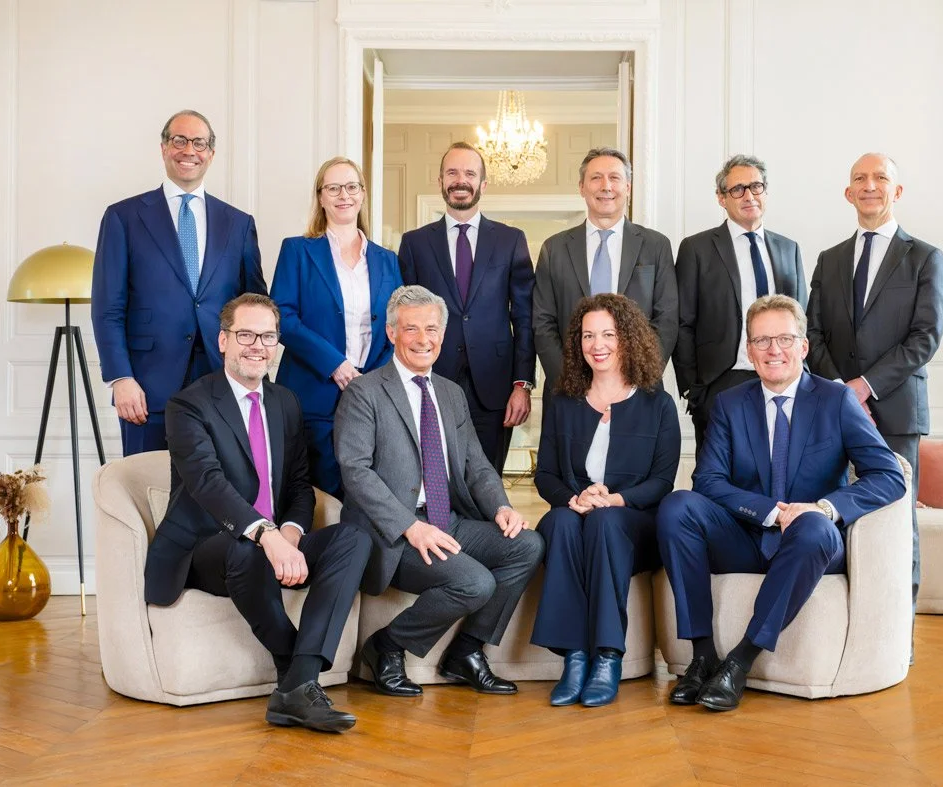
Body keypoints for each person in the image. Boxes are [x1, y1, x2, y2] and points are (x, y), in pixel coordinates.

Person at [656, 294, 905, 712]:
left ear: (803, 347)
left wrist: (823, 508)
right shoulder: (730, 404)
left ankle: (740, 660)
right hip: (746, 536)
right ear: (749, 351)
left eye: (785, 339)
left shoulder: (836, 400)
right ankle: (701, 657)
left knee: (811, 527)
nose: (774, 350)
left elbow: (889, 475)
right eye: (762, 341)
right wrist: (772, 511)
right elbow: (708, 480)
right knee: (677, 506)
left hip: (808, 544)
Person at [144, 294, 371, 733]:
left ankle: (299, 683)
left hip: (274, 541)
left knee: (355, 536)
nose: (257, 346)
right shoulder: (188, 405)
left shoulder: (285, 402)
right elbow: (208, 484)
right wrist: (265, 535)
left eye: (267, 336)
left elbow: (300, 485)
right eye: (245, 335)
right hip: (206, 547)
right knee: (245, 550)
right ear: (223, 340)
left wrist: (288, 531)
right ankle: (295, 675)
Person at [333, 285, 545, 697]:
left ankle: (466, 651)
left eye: (431, 329)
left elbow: (476, 464)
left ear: (443, 335)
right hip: (393, 532)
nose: (423, 339)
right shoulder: (365, 392)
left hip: (448, 519)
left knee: (528, 545)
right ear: (392, 333)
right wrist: (410, 527)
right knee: (475, 582)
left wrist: (501, 506)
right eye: (411, 329)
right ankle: (387, 646)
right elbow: (354, 471)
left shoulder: (450, 393)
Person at [806, 152, 943, 620]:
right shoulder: (829, 260)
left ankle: (895, 631)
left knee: (897, 520)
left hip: (896, 411)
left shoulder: (925, 257)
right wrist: (843, 392)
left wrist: (864, 388)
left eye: (880, 177)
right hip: (832, 410)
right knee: (831, 510)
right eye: (859, 179)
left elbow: (925, 337)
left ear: (897, 191)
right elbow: (814, 334)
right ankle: (844, 622)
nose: (870, 185)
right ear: (849, 193)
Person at [530, 294, 680, 708]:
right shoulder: (561, 398)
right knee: (560, 522)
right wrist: (574, 497)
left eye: (608, 334)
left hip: (631, 522)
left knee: (604, 522)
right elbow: (545, 473)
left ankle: (607, 657)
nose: (598, 344)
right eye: (588, 335)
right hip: (577, 514)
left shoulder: (657, 403)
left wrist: (614, 499)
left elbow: (662, 481)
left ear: (628, 339)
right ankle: (574, 658)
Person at [92, 110, 267, 456]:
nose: (190, 150)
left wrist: (253, 372)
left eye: (199, 143)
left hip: (222, 379)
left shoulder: (238, 223)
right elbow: (107, 308)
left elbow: (255, 307)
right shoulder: (123, 217)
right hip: (146, 387)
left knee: (222, 491)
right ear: (164, 148)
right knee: (147, 489)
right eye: (179, 140)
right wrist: (121, 379)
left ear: (211, 154)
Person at [399, 142, 535, 474]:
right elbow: (403, 317)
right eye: (453, 172)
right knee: (433, 478)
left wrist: (522, 384)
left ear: (483, 184)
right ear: (440, 180)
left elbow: (525, 316)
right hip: (429, 379)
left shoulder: (510, 240)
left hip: (495, 386)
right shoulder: (415, 243)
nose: (461, 180)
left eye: (470, 173)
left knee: (487, 481)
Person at [270, 157, 402, 498]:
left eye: (351, 186)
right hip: (312, 391)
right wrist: (336, 365)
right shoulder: (297, 251)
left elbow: (396, 325)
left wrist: (370, 379)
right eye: (333, 188)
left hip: (370, 393)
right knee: (316, 495)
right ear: (322, 197)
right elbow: (282, 317)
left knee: (365, 495)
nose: (344, 195)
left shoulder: (387, 259)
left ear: (362, 194)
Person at [673, 154, 806, 450]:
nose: (749, 195)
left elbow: (803, 321)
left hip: (782, 378)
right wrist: (694, 389)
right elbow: (683, 322)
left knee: (779, 472)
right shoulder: (696, 249)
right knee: (717, 477)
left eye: (756, 187)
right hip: (721, 381)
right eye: (737, 189)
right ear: (722, 198)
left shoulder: (788, 248)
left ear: (766, 192)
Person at [532, 147, 678, 391]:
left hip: (638, 388)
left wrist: (637, 376)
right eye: (596, 177)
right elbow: (542, 322)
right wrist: (571, 380)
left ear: (628, 188)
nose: (606, 186)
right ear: (581, 187)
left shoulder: (656, 245)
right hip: (569, 391)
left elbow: (667, 319)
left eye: (614, 178)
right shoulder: (554, 248)